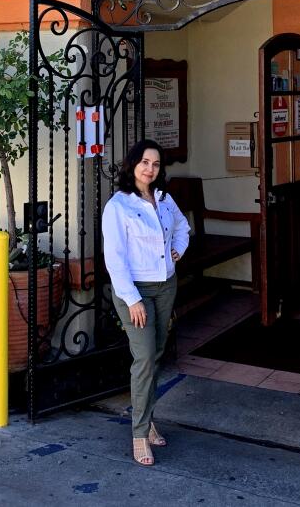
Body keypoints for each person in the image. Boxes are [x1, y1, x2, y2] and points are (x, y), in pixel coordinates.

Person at [102, 139, 190, 467]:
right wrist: (132, 299)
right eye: (144, 162)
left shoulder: (165, 200)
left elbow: (183, 227)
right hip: (134, 292)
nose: (149, 168)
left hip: (165, 285)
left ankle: (148, 418)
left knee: (156, 355)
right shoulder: (118, 206)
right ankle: (139, 433)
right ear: (132, 164)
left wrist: (178, 249)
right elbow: (115, 258)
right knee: (143, 359)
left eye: (155, 164)